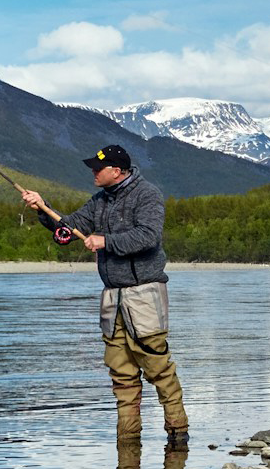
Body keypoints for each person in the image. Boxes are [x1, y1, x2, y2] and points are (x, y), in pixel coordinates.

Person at [21, 144, 190, 445]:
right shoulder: (100, 201)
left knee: (159, 369)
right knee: (121, 376)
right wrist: (42, 208)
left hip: (145, 294)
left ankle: (178, 436)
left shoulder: (147, 195)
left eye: (98, 168)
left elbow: (149, 237)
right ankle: (128, 444)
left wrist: (105, 241)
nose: (93, 173)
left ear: (117, 170)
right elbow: (70, 227)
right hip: (113, 300)